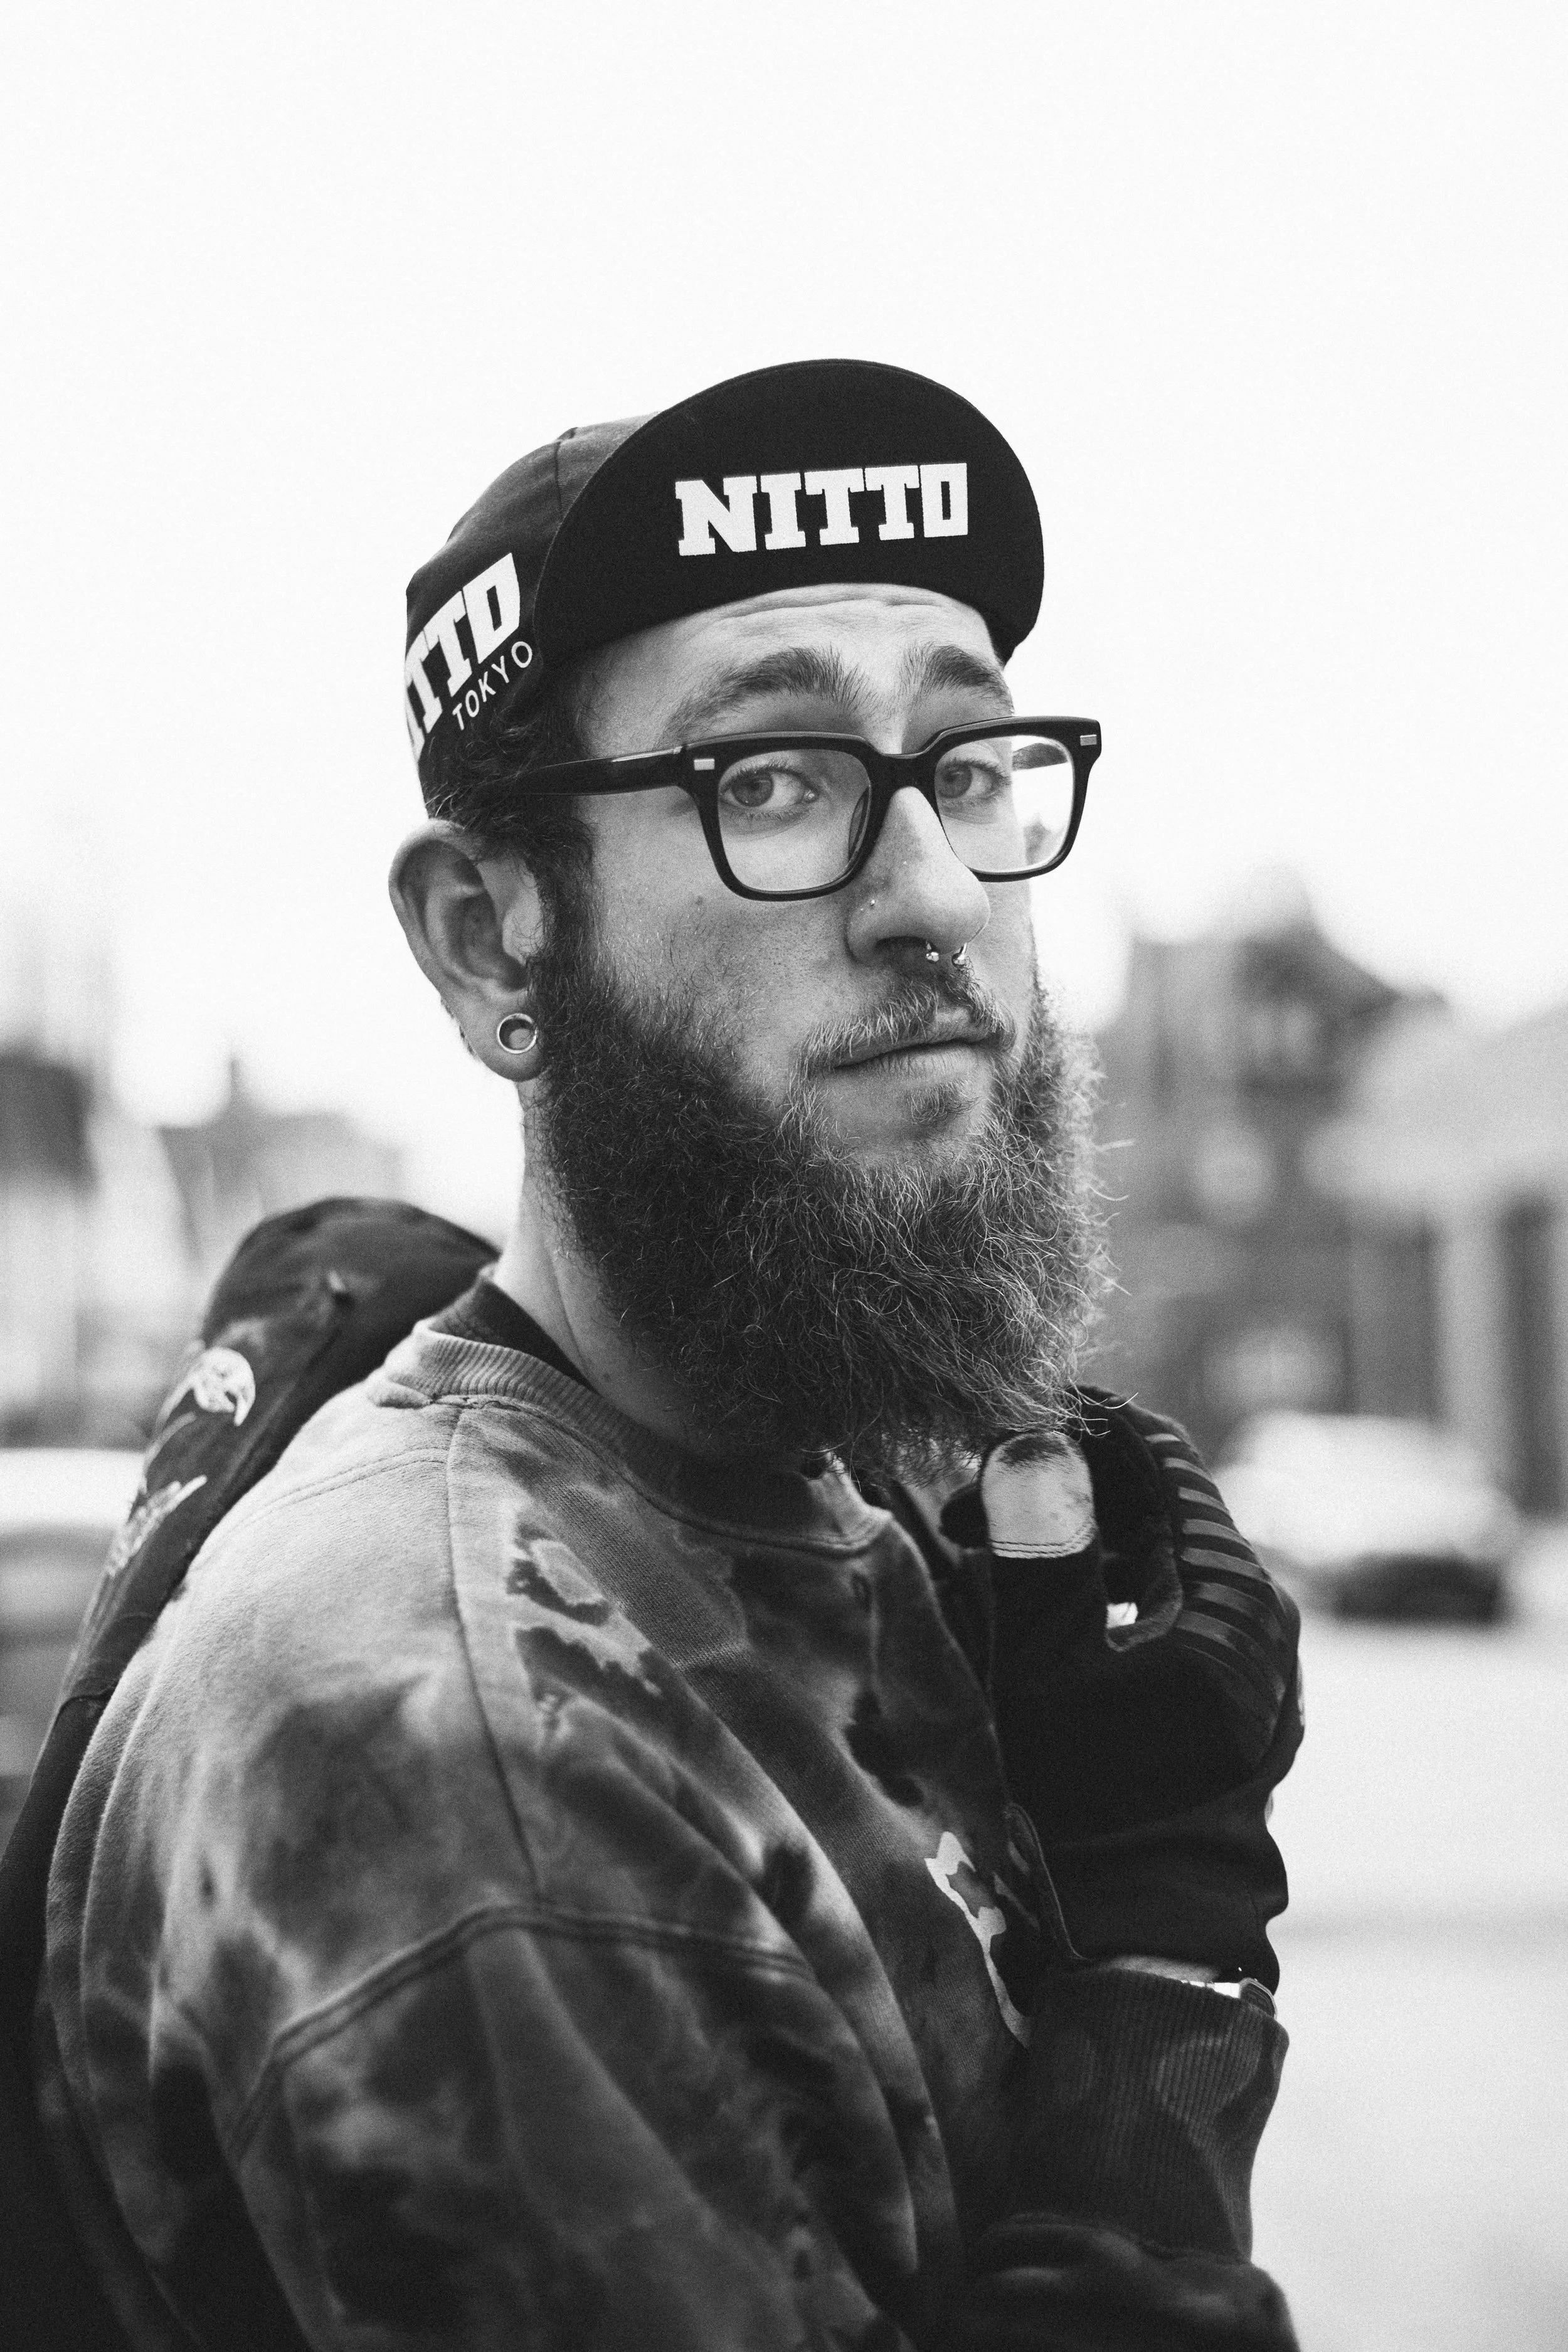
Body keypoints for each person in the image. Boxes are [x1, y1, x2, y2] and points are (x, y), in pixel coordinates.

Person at [34, 360, 1303, 2349]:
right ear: (487, 937)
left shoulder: (785, 1470)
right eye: (772, 782)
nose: (935, 894)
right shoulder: (470, 1761)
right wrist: (1165, 1967)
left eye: (968, 767)